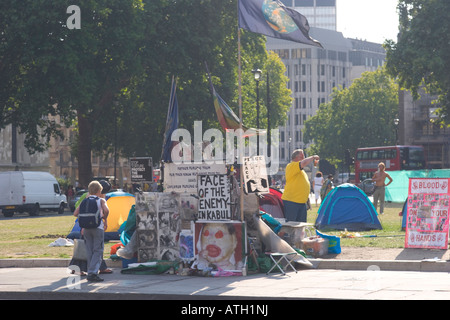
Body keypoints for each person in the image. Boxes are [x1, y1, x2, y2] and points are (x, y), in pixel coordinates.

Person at [73, 180, 110, 282]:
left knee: (89, 250)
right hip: (97, 227)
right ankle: (93, 273)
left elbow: (75, 213)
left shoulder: (85, 200)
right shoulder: (101, 200)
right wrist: (103, 218)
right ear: (99, 190)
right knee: (98, 250)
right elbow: (106, 210)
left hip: (86, 228)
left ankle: (90, 270)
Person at [281, 149, 319, 222]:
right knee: (291, 225)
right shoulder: (291, 166)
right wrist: (313, 157)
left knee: (301, 226)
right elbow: (304, 162)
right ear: (297, 157)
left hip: (301, 203)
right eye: (302, 156)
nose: (304, 158)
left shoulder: (300, 170)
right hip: (291, 201)